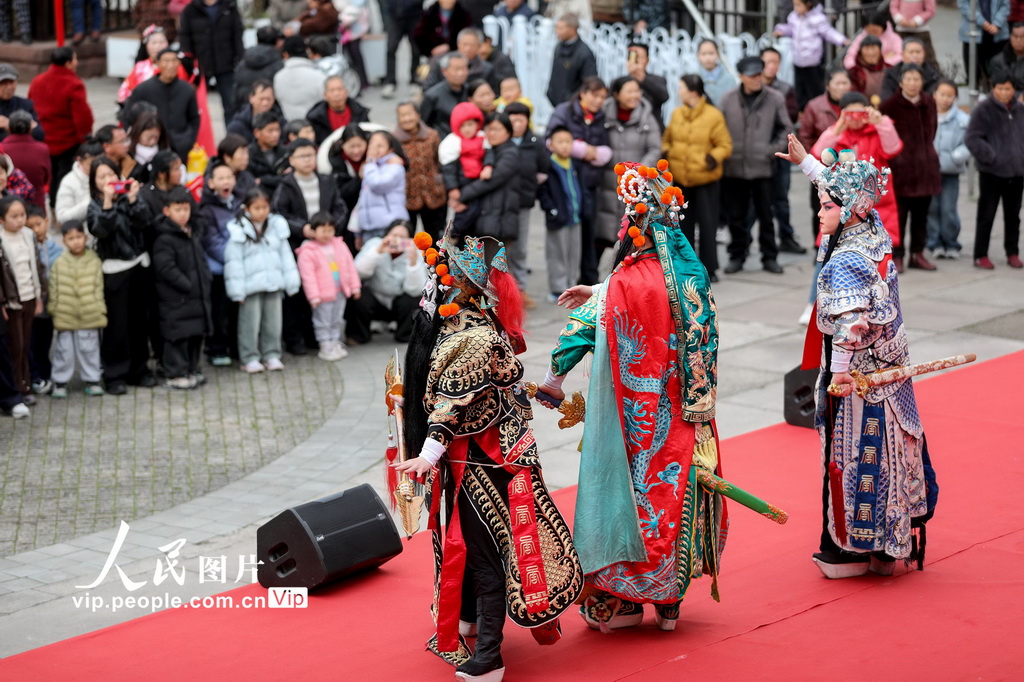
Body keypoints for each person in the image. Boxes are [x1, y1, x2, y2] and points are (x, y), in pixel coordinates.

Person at [537, 159, 725, 633]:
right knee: (675, 496)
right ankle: (669, 601)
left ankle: (618, 602)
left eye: (629, 218)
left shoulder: (624, 283)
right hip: (684, 414)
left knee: (625, 499)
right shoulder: (693, 274)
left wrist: (554, 377)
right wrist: (600, 288)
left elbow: (587, 325)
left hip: (631, 416)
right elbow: (663, 297)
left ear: (637, 225)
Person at [394, 228, 582, 681]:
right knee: (471, 543)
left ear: (462, 288)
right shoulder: (461, 325)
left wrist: (428, 452)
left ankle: (490, 655)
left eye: (445, 277)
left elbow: (454, 402)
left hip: (489, 458)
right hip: (477, 452)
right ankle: (472, 619)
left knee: (482, 550)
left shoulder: (475, 337)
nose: (434, 286)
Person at [777, 137, 938, 579]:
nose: (820, 210)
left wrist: (840, 377)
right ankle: (888, 548)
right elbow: (842, 190)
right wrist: (809, 164)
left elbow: (851, 329)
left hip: (860, 381)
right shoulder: (870, 233)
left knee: (854, 461)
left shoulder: (844, 260)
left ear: (847, 211)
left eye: (827, 206)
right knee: (889, 455)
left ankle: (849, 550)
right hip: (890, 376)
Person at [273, 138, 348, 354]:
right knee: (299, 293)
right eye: (302, 156)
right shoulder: (286, 184)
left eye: (311, 155)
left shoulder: (326, 181)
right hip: (300, 246)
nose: (308, 160)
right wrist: (303, 229)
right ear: (292, 160)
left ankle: (321, 338)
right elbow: (279, 213)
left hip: (328, 246)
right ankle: (296, 339)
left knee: (326, 291)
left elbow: (340, 208)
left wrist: (329, 230)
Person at [88, 158, 156, 394]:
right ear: (95, 183)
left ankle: (140, 370)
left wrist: (135, 199)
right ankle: (115, 374)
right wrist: (108, 202)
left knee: (139, 322)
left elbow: (146, 221)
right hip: (114, 269)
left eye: (111, 174)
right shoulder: (95, 205)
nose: (108, 180)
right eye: (102, 177)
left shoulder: (131, 197)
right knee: (117, 325)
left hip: (138, 265)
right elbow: (100, 230)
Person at [720, 56, 792, 275]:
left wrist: (770, 151)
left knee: (766, 215)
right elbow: (718, 129)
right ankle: (737, 255)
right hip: (734, 167)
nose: (756, 79)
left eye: (759, 74)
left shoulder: (775, 98)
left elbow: (786, 128)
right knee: (736, 216)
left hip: (763, 167)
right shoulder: (728, 99)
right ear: (741, 76)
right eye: (751, 76)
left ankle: (769, 257)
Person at [811, 92, 903, 255]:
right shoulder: (837, 135)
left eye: (860, 113)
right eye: (849, 114)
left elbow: (893, 148)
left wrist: (880, 122)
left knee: (878, 249)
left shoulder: (877, 131)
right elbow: (819, 154)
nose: (854, 118)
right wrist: (837, 128)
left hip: (875, 202)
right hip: (844, 202)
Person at [662, 74, 732, 281]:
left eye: (681, 87)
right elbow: (667, 139)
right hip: (682, 180)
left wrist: (712, 158)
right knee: (683, 226)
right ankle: (687, 265)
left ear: (693, 91)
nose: (679, 92)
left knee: (708, 224)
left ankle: (709, 268)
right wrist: (666, 152)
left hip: (705, 179)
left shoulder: (713, 115)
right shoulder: (677, 114)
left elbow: (725, 145)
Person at [225, 187, 300, 373]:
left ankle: (272, 354)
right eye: (256, 208)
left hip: (273, 283)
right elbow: (234, 262)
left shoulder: (277, 227)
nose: (261, 212)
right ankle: (249, 356)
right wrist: (237, 290)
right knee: (249, 323)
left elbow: (286, 256)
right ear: (247, 209)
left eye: (264, 207)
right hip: (250, 287)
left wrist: (291, 282)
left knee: (273, 322)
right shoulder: (238, 229)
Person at [546, 77, 613, 285]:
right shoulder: (565, 111)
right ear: (583, 93)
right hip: (566, 181)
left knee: (589, 232)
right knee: (566, 234)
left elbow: (606, 149)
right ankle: (562, 282)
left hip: (591, 183)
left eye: (603, 97)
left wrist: (597, 153)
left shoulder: (600, 117)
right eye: (595, 95)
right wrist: (584, 150)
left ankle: (588, 280)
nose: (599, 100)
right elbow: (550, 140)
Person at [880, 63, 941, 272]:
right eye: (909, 79)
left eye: (917, 79)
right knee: (899, 215)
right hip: (900, 170)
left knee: (921, 215)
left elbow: (933, 131)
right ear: (901, 82)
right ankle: (897, 254)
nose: (913, 83)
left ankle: (918, 253)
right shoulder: (889, 106)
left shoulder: (929, 103)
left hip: (925, 168)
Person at [152, 186, 213, 390]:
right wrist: (186, 284)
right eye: (177, 210)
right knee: (177, 338)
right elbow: (165, 268)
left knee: (195, 335)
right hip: (177, 298)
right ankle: (175, 373)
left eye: (186, 209)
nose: (182, 214)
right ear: (167, 211)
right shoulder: (164, 237)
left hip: (196, 296)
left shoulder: (191, 232)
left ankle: (190, 368)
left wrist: (204, 279)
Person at [964, 69, 1024, 269]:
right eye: (1000, 89)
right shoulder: (984, 109)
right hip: (992, 172)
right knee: (986, 215)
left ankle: (1012, 252)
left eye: (1008, 89)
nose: (1005, 93)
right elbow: (972, 137)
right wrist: (990, 156)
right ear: (993, 89)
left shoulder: (1020, 109)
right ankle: (980, 255)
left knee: (1013, 216)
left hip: (1016, 172)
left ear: (1014, 89)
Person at [598, 76, 660, 259]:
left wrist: (637, 172)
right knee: (602, 235)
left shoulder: (647, 118)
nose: (634, 95)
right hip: (606, 184)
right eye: (629, 91)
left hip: (635, 185)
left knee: (631, 236)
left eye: (636, 91)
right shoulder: (604, 115)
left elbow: (655, 149)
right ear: (616, 94)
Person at [27, 47, 94, 209]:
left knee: (50, 177)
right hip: (67, 141)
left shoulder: (37, 81)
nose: (77, 62)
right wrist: (84, 138)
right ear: (68, 63)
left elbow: (30, 107)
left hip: (42, 140)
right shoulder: (74, 84)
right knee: (63, 177)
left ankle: (52, 208)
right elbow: (82, 117)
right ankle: (61, 210)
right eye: (75, 59)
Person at [46, 220, 106, 398]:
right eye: (70, 238)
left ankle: (93, 378)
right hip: (65, 314)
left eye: (79, 237)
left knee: (90, 348)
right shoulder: (59, 263)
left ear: (85, 237)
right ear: (64, 241)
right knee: (64, 350)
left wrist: (98, 307)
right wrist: (53, 308)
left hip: (90, 313)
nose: (76, 241)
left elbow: (98, 286)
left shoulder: (93, 260)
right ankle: (60, 380)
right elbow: (54, 287)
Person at [347, 219, 426, 344]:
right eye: (394, 235)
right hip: (375, 299)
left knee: (414, 299)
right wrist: (378, 252)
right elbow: (357, 274)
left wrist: (413, 263)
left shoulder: (416, 252)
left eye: (402, 237)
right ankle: (358, 336)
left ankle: (406, 335)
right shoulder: (374, 244)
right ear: (386, 234)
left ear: (410, 240)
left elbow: (416, 290)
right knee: (358, 293)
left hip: (398, 302)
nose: (397, 240)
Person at [296, 211, 360, 361]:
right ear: (313, 230)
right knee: (322, 320)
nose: (327, 234)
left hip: (340, 290)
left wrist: (355, 286)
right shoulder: (308, 250)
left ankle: (335, 341)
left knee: (337, 318)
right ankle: (325, 344)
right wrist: (313, 295)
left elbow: (350, 266)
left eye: (330, 230)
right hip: (322, 294)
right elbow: (308, 276)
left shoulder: (340, 245)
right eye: (323, 230)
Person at [759, 47, 804, 255]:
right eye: (767, 62)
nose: (771, 66)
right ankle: (746, 240)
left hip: (780, 150)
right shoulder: (752, 87)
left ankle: (786, 236)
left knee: (781, 197)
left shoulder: (785, 89)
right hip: (757, 151)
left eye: (775, 62)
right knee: (754, 201)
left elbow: (792, 116)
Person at [450, 113, 521, 243]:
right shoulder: (490, 150)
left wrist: (459, 196)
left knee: (496, 261)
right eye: (489, 129)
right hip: (488, 219)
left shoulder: (510, 154)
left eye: (497, 129)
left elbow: (489, 181)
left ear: (508, 131)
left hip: (500, 222)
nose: (492, 133)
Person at [799, 68, 851, 236]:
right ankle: (820, 250)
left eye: (845, 83)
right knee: (821, 208)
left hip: (850, 169)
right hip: (822, 168)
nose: (842, 87)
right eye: (838, 83)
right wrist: (811, 163)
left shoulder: (855, 105)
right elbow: (805, 137)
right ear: (828, 85)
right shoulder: (815, 106)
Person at [124, 49, 201, 162]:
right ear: (157, 63)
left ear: (179, 63)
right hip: (152, 146)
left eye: (174, 61)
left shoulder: (187, 90)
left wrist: (189, 139)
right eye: (166, 61)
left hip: (181, 144)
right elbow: (127, 116)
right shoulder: (143, 89)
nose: (170, 65)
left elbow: (194, 118)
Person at [0, 196, 41, 404]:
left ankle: (25, 382)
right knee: (15, 346)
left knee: (26, 344)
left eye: (22, 215)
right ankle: (18, 388)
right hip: (11, 302)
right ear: (1, 219)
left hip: (30, 297)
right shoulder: (1, 239)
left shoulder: (29, 235)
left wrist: (39, 294)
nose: (19, 220)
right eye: (13, 216)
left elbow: (36, 267)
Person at [178, 0, 246, 125]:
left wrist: (240, 59)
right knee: (196, 104)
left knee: (231, 104)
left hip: (226, 64)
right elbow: (184, 36)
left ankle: (232, 139)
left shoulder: (229, 7)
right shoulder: (190, 10)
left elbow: (237, 35)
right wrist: (188, 60)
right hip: (200, 65)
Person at [200, 161, 241, 366]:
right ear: (211, 183)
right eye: (221, 178)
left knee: (237, 311)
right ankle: (216, 349)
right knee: (219, 312)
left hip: (241, 267)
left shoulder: (241, 202)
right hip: (219, 269)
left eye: (229, 177)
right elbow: (211, 242)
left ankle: (236, 346)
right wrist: (235, 259)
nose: (226, 181)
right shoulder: (206, 209)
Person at [505, 101, 548, 297]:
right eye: (513, 120)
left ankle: (520, 285)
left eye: (521, 120)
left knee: (520, 246)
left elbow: (543, 169)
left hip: (523, 202)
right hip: (502, 203)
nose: (517, 124)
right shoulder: (500, 141)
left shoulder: (535, 143)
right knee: (502, 245)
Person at [772, 0, 848, 110]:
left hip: (812, 62)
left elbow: (828, 32)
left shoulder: (817, 19)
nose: (795, 7)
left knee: (814, 91)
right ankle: (803, 113)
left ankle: (817, 111)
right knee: (800, 91)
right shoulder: (794, 16)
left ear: (808, 4)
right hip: (798, 61)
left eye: (798, 5)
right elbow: (790, 29)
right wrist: (781, 30)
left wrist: (842, 40)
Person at [537, 126, 582, 301]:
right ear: (551, 145)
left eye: (568, 142)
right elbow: (542, 191)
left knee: (573, 254)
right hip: (558, 218)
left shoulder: (574, 164)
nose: (565, 146)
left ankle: (572, 287)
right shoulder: (548, 165)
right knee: (557, 254)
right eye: (560, 142)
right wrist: (551, 209)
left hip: (575, 217)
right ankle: (558, 288)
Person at [927, 80, 970, 261]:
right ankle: (934, 242)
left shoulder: (963, 119)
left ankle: (951, 243)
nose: (945, 99)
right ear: (934, 94)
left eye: (950, 95)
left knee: (948, 208)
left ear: (955, 97)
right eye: (942, 94)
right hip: (929, 171)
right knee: (932, 208)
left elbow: (969, 142)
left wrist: (956, 157)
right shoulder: (926, 115)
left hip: (950, 171)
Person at [394, 102, 447, 241]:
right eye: (402, 115)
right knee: (409, 239)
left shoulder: (432, 136)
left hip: (433, 194)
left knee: (436, 239)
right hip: (407, 197)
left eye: (409, 114)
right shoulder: (394, 141)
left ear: (418, 115)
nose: (406, 119)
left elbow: (439, 160)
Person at [357, 131, 410, 244]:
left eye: (380, 146)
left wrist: (370, 162)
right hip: (369, 228)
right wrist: (358, 231)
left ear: (390, 149)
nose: (374, 149)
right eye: (372, 144)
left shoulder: (394, 166)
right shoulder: (371, 167)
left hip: (389, 227)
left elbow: (378, 185)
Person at [323, 124, 368, 234]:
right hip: (348, 210)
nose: (356, 151)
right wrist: (359, 178)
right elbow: (342, 193)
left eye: (360, 145)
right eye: (352, 146)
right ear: (343, 145)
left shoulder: (372, 155)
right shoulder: (336, 161)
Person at [546, 14, 598, 107]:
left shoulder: (584, 53)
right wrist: (550, 93)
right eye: (557, 28)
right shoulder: (559, 47)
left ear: (573, 29)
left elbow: (589, 81)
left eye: (561, 28)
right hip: (557, 101)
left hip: (573, 105)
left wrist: (573, 100)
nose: (557, 32)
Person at [2, 112, 50, 210]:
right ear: (30, 129)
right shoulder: (42, 149)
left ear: (8, 128)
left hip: (8, 208)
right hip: (36, 206)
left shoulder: (1, 149)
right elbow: (47, 178)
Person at [421, 27, 494, 91]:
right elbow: (428, 87)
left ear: (479, 46)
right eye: (465, 44)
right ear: (458, 44)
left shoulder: (486, 69)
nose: (467, 49)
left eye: (472, 45)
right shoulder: (441, 62)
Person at [959, 0, 1011, 88]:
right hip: (972, 35)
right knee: (973, 73)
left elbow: (1005, 6)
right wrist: (982, 22)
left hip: (997, 35)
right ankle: (974, 98)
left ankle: (996, 97)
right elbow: (964, 6)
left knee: (998, 72)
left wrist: (997, 24)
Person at [274, 36, 327, 122]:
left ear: (285, 54)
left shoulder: (278, 77)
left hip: (290, 128)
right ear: (308, 51)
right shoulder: (319, 76)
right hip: (316, 126)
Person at [306, 76, 371, 145]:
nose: (336, 94)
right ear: (325, 95)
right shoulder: (315, 119)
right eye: (332, 90)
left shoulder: (360, 112)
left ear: (346, 92)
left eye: (340, 89)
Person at [233, 26, 284, 110]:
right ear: (277, 42)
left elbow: (236, 88)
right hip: (270, 112)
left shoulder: (243, 62)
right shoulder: (279, 64)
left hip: (245, 109)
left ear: (257, 40)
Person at [55, 136, 103, 225]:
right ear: (80, 160)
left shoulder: (111, 173)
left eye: (100, 162)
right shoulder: (69, 182)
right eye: (92, 164)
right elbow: (62, 216)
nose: (96, 168)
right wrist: (93, 201)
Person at [382, 0, 425, 98]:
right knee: (391, 49)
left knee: (416, 50)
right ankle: (390, 82)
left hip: (414, 16)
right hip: (394, 17)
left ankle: (414, 81)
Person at [421, 52, 470, 137]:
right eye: (456, 69)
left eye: (464, 69)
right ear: (444, 71)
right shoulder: (432, 95)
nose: (461, 73)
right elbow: (423, 124)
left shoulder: (470, 91)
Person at [625, 42, 668, 128]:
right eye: (633, 56)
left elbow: (664, 96)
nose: (636, 60)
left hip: (652, 129)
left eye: (640, 57)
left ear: (647, 60)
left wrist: (642, 78)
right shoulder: (621, 82)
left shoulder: (657, 80)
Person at [0, 63, 43, 142]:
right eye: (3, 83)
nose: (9, 87)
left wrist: (10, 124)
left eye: (11, 82)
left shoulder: (26, 104)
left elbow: (39, 134)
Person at [248, 112, 286, 193]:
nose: (275, 134)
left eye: (277, 130)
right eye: (270, 131)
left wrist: (263, 180)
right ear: (257, 133)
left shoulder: (285, 153)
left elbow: (288, 179)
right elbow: (250, 181)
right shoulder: (248, 154)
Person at [891, 0, 937, 66]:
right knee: (899, 56)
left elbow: (930, 10)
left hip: (920, 31)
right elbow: (894, 7)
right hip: (901, 30)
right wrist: (899, 19)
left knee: (927, 58)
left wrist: (916, 21)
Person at [695, 39, 737, 107]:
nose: (707, 58)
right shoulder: (694, 79)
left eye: (711, 53)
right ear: (698, 56)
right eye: (703, 54)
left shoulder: (729, 79)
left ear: (718, 54)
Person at [848, 35, 888, 104]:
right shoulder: (854, 72)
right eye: (866, 48)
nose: (870, 53)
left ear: (880, 50)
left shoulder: (890, 69)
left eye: (873, 48)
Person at [988, 21, 1024, 94]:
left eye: (1022, 36)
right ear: (1010, 37)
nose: (1018, 40)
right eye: (1015, 36)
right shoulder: (998, 61)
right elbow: (997, 88)